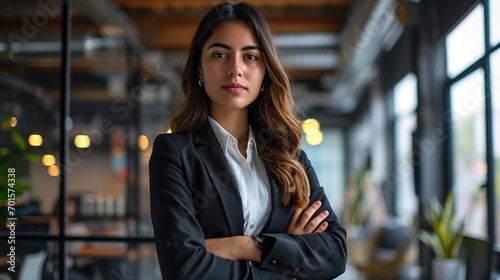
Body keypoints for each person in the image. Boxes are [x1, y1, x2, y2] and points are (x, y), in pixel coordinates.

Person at [149, 2, 347, 279]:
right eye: (219, 54)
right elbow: (184, 268)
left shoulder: (290, 156)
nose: (235, 69)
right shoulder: (174, 153)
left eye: (251, 57)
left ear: (266, 72)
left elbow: (335, 253)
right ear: (198, 71)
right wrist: (285, 255)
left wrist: (245, 246)